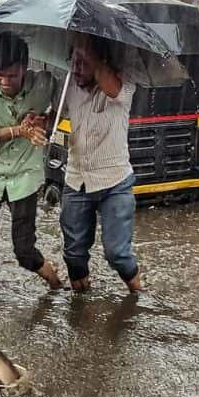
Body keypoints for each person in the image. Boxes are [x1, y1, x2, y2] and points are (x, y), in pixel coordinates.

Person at [0, 31, 62, 291]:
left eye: (12, 76)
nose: (5, 82)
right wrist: (18, 130)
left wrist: (44, 121)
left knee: (24, 250)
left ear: (25, 69)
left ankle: (55, 281)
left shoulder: (45, 84)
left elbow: (60, 113)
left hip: (25, 178)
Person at [59, 33, 143, 293]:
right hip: (76, 179)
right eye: (74, 61)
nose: (76, 69)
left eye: (83, 63)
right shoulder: (67, 86)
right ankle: (80, 306)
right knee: (73, 254)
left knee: (117, 253)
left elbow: (115, 91)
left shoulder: (123, 83)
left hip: (114, 181)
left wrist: (92, 58)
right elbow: (53, 112)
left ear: (100, 62)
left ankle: (139, 294)